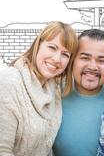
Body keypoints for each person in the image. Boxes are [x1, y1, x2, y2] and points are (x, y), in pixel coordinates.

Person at [0, 21, 78, 156]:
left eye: (65, 54)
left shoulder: (55, 89)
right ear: (38, 45)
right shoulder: (8, 82)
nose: (57, 59)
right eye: (52, 47)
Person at [53, 29, 104, 156]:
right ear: (73, 60)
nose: (92, 66)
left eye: (101, 60)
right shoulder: (54, 92)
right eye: (85, 58)